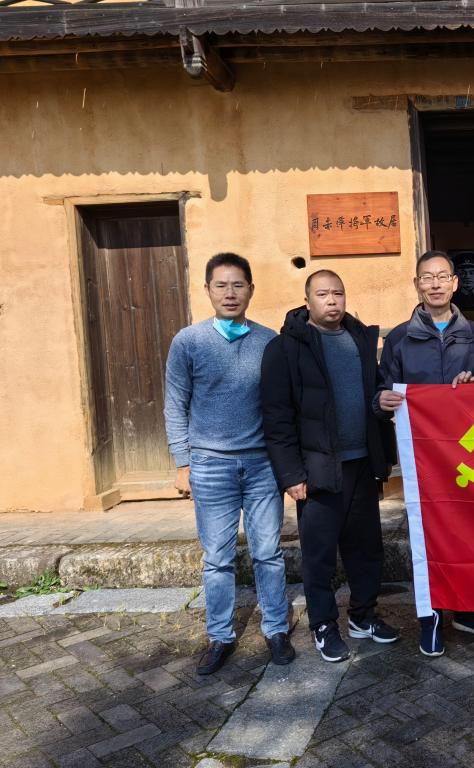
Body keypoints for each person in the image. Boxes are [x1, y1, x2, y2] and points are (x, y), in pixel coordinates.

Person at [164, 252, 293, 675]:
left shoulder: (269, 341)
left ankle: (276, 629)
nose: (230, 293)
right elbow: (175, 403)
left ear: (251, 289)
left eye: (238, 285)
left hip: (261, 465)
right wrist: (182, 462)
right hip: (210, 464)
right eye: (221, 285)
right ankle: (220, 635)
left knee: (268, 552)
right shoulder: (189, 341)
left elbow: (281, 406)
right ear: (207, 290)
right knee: (217, 557)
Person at [260, 269, 399, 664]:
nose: (332, 300)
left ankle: (363, 616)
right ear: (308, 301)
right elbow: (276, 417)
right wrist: (291, 475)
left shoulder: (358, 338)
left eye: (338, 293)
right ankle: (323, 624)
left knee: (366, 548)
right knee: (319, 554)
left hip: (362, 463)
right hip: (317, 468)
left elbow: (372, 390)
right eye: (322, 294)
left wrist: (380, 401)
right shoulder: (285, 348)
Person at [374, 250, 474, 657]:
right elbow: (382, 389)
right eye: (426, 278)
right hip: (423, 459)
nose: (434, 284)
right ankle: (429, 618)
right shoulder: (399, 339)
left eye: (442, 276)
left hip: (471, 456)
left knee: (471, 534)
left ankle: (467, 610)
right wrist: (382, 400)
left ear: (455, 283)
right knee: (425, 536)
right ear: (417, 285)